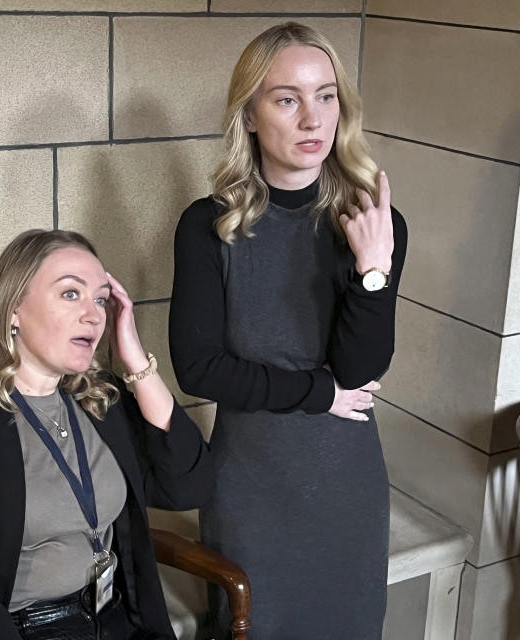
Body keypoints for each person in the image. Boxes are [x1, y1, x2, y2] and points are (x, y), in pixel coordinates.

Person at [169, 22, 407, 639]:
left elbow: (359, 371)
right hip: (251, 484)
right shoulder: (208, 226)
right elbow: (199, 368)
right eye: (287, 99)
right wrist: (317, 393)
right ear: (249, 115)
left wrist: (373, 270)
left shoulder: (374, 222)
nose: (312, 119)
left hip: (347, 485)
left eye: (326, 96)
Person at [0, 229, 213, 640]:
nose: (93, 314)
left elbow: (191, 485)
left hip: (117, 618)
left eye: (101, 299)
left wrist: (135, 356)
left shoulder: (97, 399)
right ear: (13, 309)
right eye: (70, 294)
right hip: (24, 629)